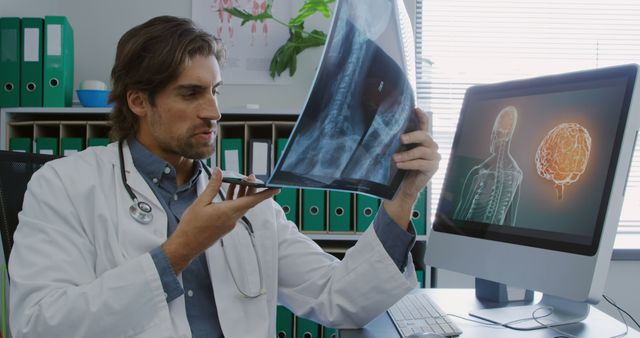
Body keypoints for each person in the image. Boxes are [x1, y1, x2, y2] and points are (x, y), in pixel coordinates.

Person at [8, 16, 441, 338]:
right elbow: (38, 325)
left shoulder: (245, 200)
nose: (213, 112)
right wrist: (181, 250)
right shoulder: (63, 186)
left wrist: (401, 199)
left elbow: (339, 297)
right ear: (139, 101)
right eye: (191, 93)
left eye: (215, 91)